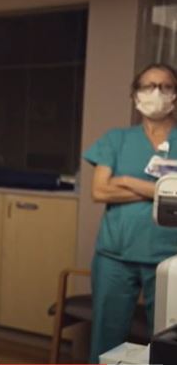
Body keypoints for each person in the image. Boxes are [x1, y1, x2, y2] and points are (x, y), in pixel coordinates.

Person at [86, 63, 177, 361]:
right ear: (135, 95)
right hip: (115, 256)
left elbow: (112, 186)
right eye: (148, 86)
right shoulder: (116, 139)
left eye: (165, 86)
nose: (157, 93)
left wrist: (126, 181)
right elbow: (100, 191)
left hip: (169, 259)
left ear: (176, 95)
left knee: (168, 341)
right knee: (106, 337)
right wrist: (162, 191)